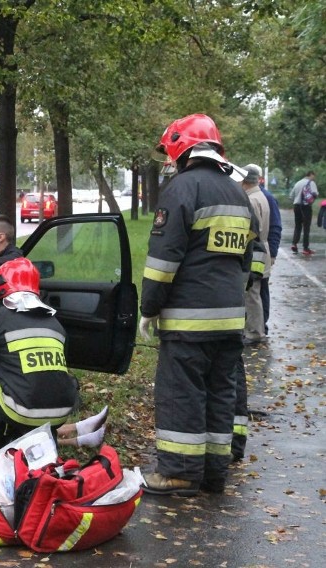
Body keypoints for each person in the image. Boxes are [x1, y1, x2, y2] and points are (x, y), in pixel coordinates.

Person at [139, 113, 255, 497]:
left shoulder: (182, 188)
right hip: (230, 319)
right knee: (220, 393)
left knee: (181, 392)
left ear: (181, 146)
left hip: (189, 320)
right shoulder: (237, 192)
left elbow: (162, 260)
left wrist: (149, 308)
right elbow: (248, 259)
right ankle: (212, 473)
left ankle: (178, 473)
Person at [0, 257, 79, 453]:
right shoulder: (56, 323)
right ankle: (33, 437)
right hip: (62, 413)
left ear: (0, 286)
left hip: (24, 411)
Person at [242, 164, 270, 345]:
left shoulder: (251, 200)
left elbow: (252, 230)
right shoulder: (260, 196)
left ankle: (254, 332)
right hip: (262, 249)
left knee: (252, 294)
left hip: (255, 251)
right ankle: (256, 330)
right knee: (256, 293)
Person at [260, 181, 282, 335]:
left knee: (261, 287)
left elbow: (275, 226)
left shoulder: (266, 197)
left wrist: (273, 252)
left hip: (263, 251)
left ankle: (262, 324)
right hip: (260, 250)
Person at [289, 170, 318, 255]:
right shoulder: (311, 183)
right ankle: (306, 248)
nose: (314, 178)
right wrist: (311, 199)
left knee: (298, 226)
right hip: (306, 207)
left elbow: (291, 196)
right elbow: (315, 193)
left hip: (296, 206)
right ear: (311, 175)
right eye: (314, 176)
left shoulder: (297, 183)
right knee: (306, 227)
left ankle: (294, 244)